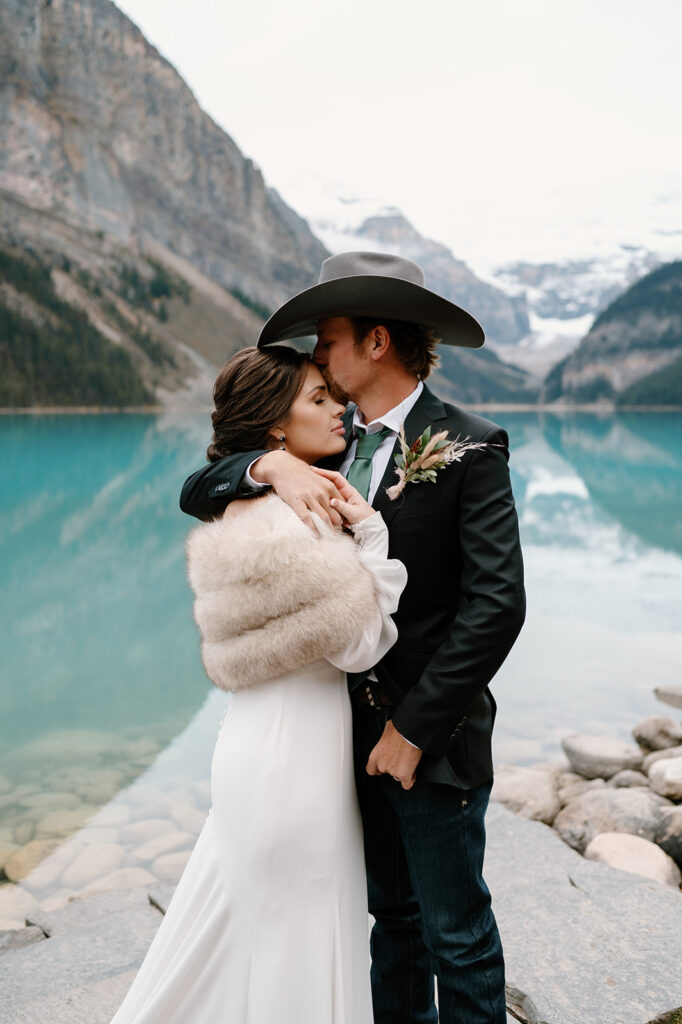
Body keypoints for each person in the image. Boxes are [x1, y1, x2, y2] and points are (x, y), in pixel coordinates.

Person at [180, 251, 526, 1024]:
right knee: (392, 927)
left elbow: (496, 608)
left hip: (432, 739)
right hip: (339, 740)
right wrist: (268, 464)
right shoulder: (326, 447)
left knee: (457, 935)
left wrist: (411, 730)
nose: (320, 359)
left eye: (329, 340)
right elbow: (198, 486)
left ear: (376, 342)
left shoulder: (470, 444)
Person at [109, 344, 408, 1024]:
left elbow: (205, 482)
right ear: (276, 425)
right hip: (295, 759)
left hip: (253, 741)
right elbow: (363, 644)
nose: (342, 410)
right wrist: (373, 539)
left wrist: (267, 466)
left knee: (242, 924)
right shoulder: (295, 519)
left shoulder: (242, 504)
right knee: (298, 936)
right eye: (320, 400)